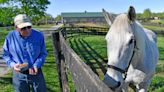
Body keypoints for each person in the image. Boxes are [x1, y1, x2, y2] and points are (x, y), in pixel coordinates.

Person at [3, 14, 48, 92]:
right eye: (23, 28)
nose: (27, 30)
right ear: (16, 27)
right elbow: (6, 55)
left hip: (36, 72)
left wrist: (36, 64)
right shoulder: (10, 37)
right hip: (19, 74)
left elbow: (43, 53)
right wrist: (13, 65)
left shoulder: (39, 35)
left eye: (29, 27)